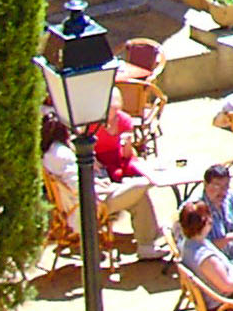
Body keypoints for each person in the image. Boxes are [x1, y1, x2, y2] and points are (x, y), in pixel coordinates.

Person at [42, 109, 168, 261]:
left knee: (138, 198)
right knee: (142, 184)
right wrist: (105, 188)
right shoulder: (63, 155)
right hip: (91, 207)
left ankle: (147, 245)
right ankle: (149, 242)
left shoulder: (51, 153)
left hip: (85, 202)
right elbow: (79, 187)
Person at [93, 89, 148, 181]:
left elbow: (127, 155)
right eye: (108, 108)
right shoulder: (93, 122)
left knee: (136, 170)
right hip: (100, 160)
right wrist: (93, 161)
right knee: (113, 176)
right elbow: (82, 145)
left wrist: (128, 143)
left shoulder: (125, 120)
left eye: (115, 108)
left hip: (119, 156)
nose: (111, 112)